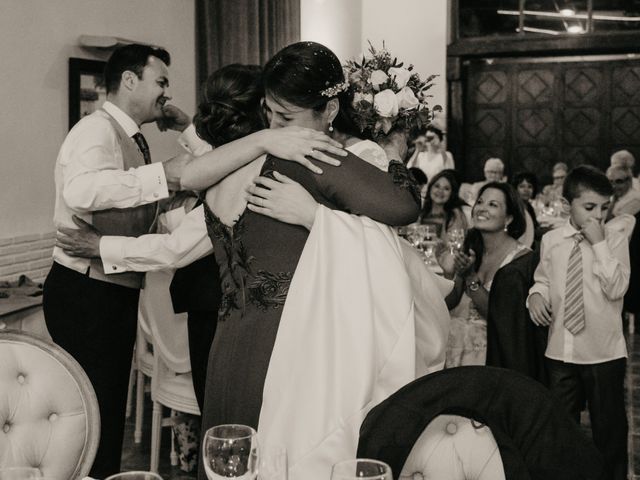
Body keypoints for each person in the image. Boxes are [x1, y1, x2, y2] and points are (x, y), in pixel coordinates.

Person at [183, 41, 422, 479]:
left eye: (286, 117)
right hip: (288, 353)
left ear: (331, 110)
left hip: (227, 350)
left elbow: (188, 176)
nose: (278, 127)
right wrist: (394, 155)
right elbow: (405, 207)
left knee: (230, 465)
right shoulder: (314, 154)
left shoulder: (223, 165)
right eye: (270, 114)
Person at [54, 64, 347, 412]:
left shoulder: (248, 172)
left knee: (226, 412)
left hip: (230, 317)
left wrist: (100, 246)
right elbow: (212, 163)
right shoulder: (259, 162)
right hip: (239, 313)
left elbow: (176, 246)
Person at [42, 43, 208, 477]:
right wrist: (163, 175)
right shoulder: (94, 131)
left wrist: (171, 197)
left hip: (108, 289)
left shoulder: (134, 138)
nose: (166, 91)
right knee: (95, 414)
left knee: (109, 409)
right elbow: (82, 191)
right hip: (85, 292)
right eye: (161, 81)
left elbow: (128, 213)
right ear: (130, 80)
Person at [528, 165, 634, 480]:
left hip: (604, 352)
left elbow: (616, 287)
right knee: (560, 426)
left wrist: (600, 244)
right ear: (567, 206)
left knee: (609, 430)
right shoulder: (551, 241)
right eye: (589, 208)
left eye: (604, 207)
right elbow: (544, 279)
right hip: (560, 349)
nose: (598, 216)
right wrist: (535, 294)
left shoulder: (614, 239)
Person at [443, 182, 529, 367]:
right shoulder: (472, 245)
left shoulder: (520, 259)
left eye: (493, 204)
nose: (482, 208)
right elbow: (450, 302)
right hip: (459, 341)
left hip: (495, 351)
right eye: (480, 202)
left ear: (508, 219)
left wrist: (470, 277)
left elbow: (501, 316)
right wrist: (448, 275)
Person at [418, 169, 468, 240]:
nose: (440, 191)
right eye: (437, 186)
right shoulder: (422, 211)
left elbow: (452, 245)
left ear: (452, 193)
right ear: (430, 188)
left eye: (446, 189)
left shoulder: (455, 214)